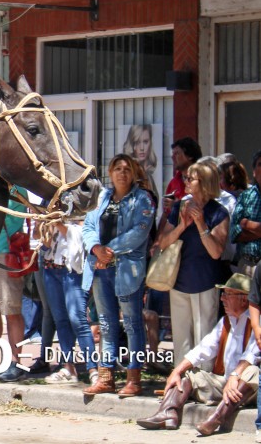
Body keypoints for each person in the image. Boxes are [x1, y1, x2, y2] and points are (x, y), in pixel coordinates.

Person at [137, 273, 258, 435]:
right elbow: (203, 349)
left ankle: (217, 418)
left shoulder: (257, 322)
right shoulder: (225, 322)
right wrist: (176, 371)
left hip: (249, 388)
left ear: (244, 299)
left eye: (227, 294)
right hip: (227, 383)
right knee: (188, 374)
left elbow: (252, 355)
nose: (222, 299)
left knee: (252, 372)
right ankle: (168, 412)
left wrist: (236, 376)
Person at [81, 154, 155, 397]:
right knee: (105, 323)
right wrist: (95, 249)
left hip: (127, 269)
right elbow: (88, 227)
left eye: (127, 169)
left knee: (133, 323)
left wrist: (108, 252)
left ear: (134, 174)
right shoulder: (101, 197)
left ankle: (134, 378)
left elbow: (139, 232)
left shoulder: (142, 199)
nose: (122, 173)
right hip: (101, 268)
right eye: (117, 169)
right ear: (110, 173)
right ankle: (106, 378)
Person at [157, 161, 229, 367]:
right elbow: (163, 242)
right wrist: (181, 226)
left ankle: (203, 386)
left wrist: (201, 225)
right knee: (181, 342)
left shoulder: (219, 212)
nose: (185, 181)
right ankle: (181, 386)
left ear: (205, 182)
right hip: (179, 282)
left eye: (191, 178)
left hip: (205, 284)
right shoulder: (180, 206)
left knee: (204, 340)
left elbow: (216, 252)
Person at [40, 219, 98, 386]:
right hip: (51, 267)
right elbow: (43, 242)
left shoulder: (81, 202)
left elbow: (81, 233)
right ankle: (68, 367)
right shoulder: (51, 208)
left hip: (73, 269)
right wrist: (43, 226)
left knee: (77, 319)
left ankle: (92, 368)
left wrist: (57, 223)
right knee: (61, 320)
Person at [0, 190, 28, 383]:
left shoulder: (17, 188)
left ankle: (15, 362)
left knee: (11, 310)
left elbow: (6, 214)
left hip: (5, 253)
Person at [160, 137, 203, 233]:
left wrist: (176, 206)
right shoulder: (173, 183)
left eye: (177, 153)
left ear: (190, 156)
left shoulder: (203, 181)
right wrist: (158, 241)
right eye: (172, 154)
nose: (172, 157)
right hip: (174, 237)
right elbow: (165, 214)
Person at [231, 150, 261, 275]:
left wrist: (247, 225)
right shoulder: (245, 196)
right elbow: (234, 233)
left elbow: (242, 225)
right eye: (260, 164)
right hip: (248, 265)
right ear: (254, 172)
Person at [123, 124, 158, 192]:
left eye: (145, 142)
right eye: (137, 142)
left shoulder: (148, 173)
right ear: (132, 145)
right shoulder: (129, 175)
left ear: (150, 143)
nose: (142, 148)